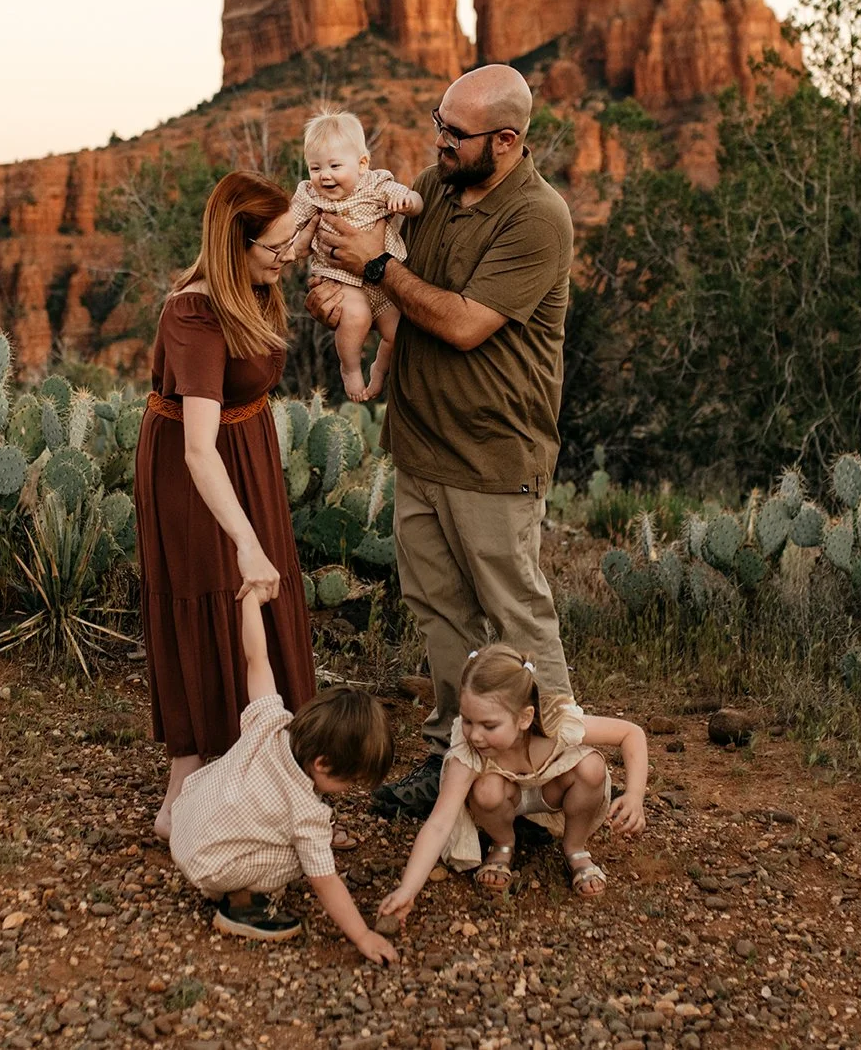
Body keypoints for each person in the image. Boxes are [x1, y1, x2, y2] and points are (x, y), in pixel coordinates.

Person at [307, 65, 575, 818]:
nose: (439, 140)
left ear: (507, 139)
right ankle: (452, 758)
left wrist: (374, 266)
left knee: (516, 616)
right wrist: (342, 291)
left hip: (493, 456)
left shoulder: (537, 217)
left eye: (454, 133)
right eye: (438, 122)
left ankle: (557, 773)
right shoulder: (439, 187)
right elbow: (378, 274)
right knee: (441, 615)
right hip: (420, 446)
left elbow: (461, 322)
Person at [134, 170, 317, 842]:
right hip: (198, 470)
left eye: (289, 240)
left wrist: (313, 201)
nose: (287, 254)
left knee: (263, 600)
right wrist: (244, 536)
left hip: (251, 451)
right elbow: (198, 450)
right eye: (273, 247)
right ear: (233, 245)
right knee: (210, 593)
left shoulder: (257, 278)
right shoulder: (196, 312)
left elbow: (305, 207)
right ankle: (186, 786)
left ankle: (281, 787)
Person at [169, 586, 399, 960]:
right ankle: (242, 904)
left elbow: (256, 658)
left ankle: (227, 873)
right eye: (349, 781)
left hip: (186, 822)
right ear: (323, 764)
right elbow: (324, 880)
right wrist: (362, 936)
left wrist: (248, 601)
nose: (349, 790)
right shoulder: (307, 812)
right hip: (209, 864)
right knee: (302, 855)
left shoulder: (272, 721)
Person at [377, 644, 647, 917]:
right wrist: (407, 890)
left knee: (591, 767)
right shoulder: (467, 752)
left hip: (550, 793)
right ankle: (503, 843)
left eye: (489, 725)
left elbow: (631, 734)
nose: (475, 735)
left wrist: (635, 795)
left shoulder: (557, 724)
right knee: (486, 789)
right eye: (467, 720)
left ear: (524, 718)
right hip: (503, 799)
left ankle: (574, 847)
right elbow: (438, 824)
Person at [288, 111, 423, 400]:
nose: (324, 175)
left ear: (362, 164)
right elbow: (290, 221)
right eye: (315, 168)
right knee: (357, 318)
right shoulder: (311, 195)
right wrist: (292, 243)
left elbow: (414, 200)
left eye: (335, 165)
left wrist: (407, 202)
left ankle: (379, 370)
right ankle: (350, 369)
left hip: (386, 279)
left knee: (398, 331)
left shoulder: (376, 185)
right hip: (342, 281)